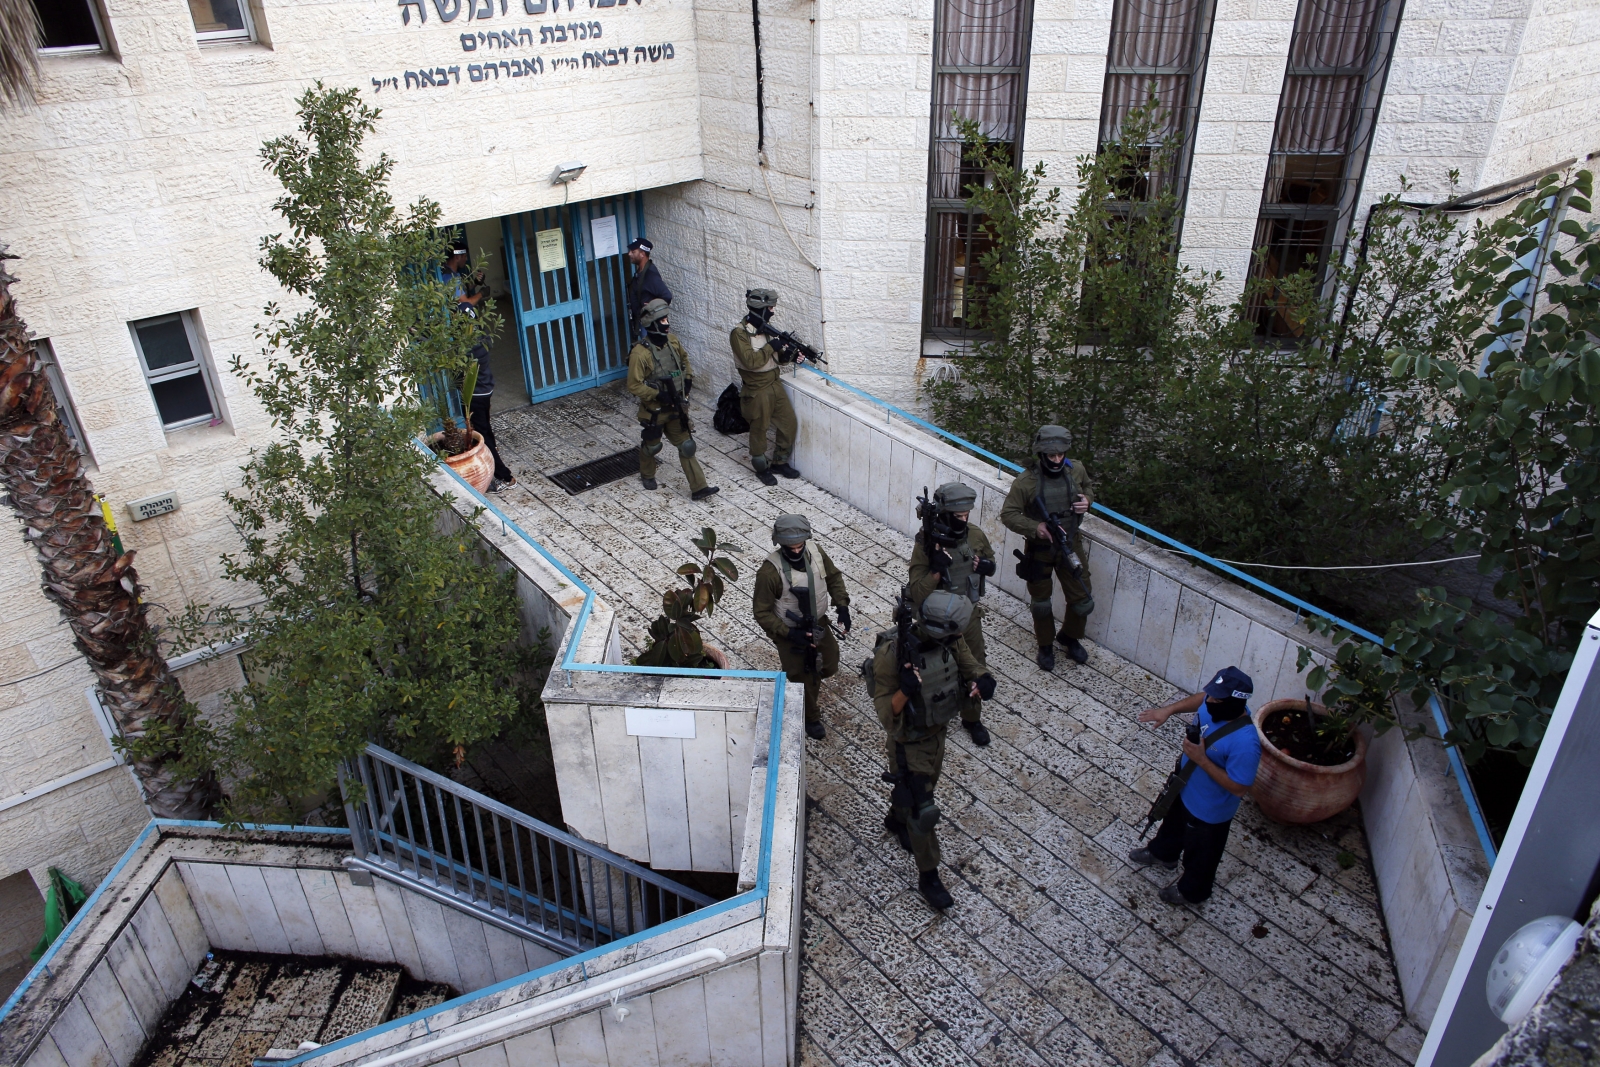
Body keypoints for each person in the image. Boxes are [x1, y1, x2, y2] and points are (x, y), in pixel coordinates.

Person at [870, 589, 995, 910]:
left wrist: (982, 680)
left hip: (937, 733)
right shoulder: (891, 655)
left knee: (917, 795)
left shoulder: (949, 640)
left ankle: (896, 819)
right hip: (907, 742)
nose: (959, 635)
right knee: (923, 810)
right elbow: (886, 715)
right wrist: (904, 692)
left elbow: (970, 665)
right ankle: (929, 876)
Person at [1128, 666, 1261, 905]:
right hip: (1184, 788)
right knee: (1172, 826)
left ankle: (1192, 892)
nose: (1208, 700)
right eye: (1210, 694)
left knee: (1201, 855)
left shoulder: (1246, 744)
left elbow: (1240, 788)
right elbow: (1201, 699)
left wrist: (1201, 759)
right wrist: (1168, 710)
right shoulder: (1212, 704)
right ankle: (1163, 854)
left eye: (1216, 698)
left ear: (1233, 703)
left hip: (1209, 812)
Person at [907, 482, 997, 746]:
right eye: (958, 516)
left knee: (976, 663)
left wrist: (988, 567)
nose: (964, 520)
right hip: (934, 623)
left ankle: (972, 718)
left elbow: (988, 559)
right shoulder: (926, 543)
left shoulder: (975, 535)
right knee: (933, 670)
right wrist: (935, 571)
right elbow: (917, 591)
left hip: (967, 617)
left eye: (966, 515)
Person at [1000, 424, 1094, 671]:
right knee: (1041, 604)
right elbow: (1008, 514)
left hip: (1070, 543)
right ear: (1042, 454)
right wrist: (1036, 527)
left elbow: (1088, 488)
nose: (1057, 460)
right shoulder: (1026, 482)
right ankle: (1045, 645)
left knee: (1082, 599)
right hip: (1040, 549)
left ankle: (1069, 637)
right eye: (1051, 456)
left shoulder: (1076, 470)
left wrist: (1087, 502)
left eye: (1060, 455)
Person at [753, 514, 850, 740]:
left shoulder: (815, 552)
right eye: (790, 548)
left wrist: (842, 605)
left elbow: (834, 577)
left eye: (800, 546)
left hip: (818, 622)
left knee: (830, 663)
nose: (796, 551)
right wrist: (789, 633)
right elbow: (761, 612)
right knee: (802, 675)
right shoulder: (769, 572)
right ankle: (810, 716)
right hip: (789, 630)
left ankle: (812, 687)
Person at [626, 299, 718, 500]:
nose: (667, 324)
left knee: (687, 446)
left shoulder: (673, 341)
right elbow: (634, 385)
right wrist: (658, 394)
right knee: (652, 446)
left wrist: (688, 380)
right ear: (653, 324)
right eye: (663, 320)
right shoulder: (640, 354)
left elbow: (685, 361)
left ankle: (699, 488)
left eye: (667, 319)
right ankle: (647, 473)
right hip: (655, 411)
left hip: (677, 406)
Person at [445, 246, 515, 491]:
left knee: (482, 434)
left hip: (476, 395)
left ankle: (502, 476)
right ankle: (500, 473)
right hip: (485, 392)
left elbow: (448, 355)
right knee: (486, 431)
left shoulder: (468, 347)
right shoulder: (481, 338)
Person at [729, 288, 801, 486]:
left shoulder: (766, 329)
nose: (772, 312)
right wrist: (772, 346)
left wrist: (789, 354)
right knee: (759, 429)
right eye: (770, 308)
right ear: (760, 309)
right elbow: (751, 361)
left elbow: (776, 360)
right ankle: (761, 468)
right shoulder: (740, 334)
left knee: (788, 423)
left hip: (774, 383)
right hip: (756, 388)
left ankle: (779, 461)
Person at [626, 237, 671, 337]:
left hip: (650, 325)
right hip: (644, 323)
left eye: (633, 251)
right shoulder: (642, 272)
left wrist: (653, 308)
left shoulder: (650, 275)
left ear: (642, 254)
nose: (629, 254)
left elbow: (667, 296)